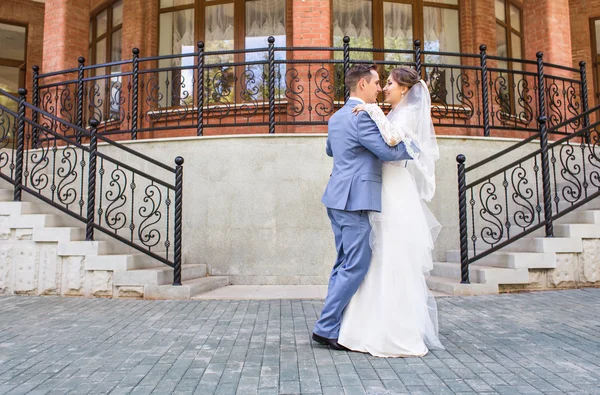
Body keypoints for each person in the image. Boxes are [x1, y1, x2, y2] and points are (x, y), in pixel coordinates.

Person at [338, 67, 444, 357]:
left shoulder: (406, 115)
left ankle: (395, 331)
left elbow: (394, 141)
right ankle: (366, 326)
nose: (385, 87)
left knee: (392, 255)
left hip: (396, 191)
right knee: (379, 256)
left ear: (405, 90)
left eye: (390, 83)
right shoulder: (395, 112)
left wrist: (369, 111)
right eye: (382, 82)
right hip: (385, 188)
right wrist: (372, 112)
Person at [312, 64, 418, 350]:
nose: (379, 88)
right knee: (357, 264)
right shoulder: (361, 117)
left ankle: (331, 323)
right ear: (361, 85)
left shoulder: (336, 117)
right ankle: (325, 327)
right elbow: (385, 151)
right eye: (375, 83)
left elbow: (331, 150)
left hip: (336, 197)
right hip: (352, 199)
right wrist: (416, 147)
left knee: (344, 262)